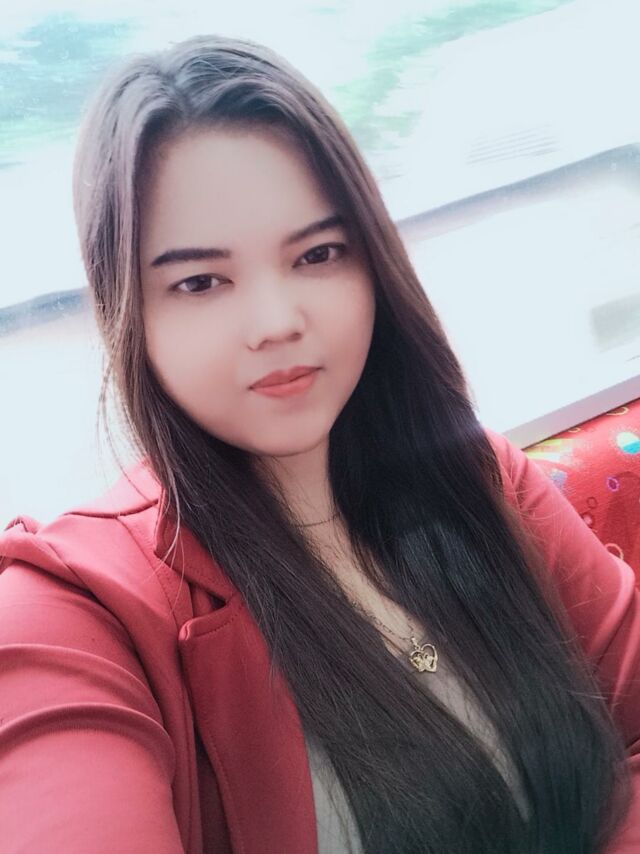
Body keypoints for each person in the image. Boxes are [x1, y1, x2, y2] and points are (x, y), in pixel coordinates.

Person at [0, 33, 638, 854]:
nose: (277, 322)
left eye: (318, 254)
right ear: (128, 310)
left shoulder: (474, 476)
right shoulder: (72, 612)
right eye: (200, 281)